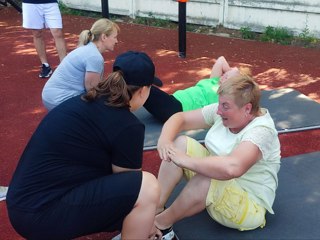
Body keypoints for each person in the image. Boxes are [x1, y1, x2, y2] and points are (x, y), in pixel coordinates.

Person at [6, 51, 164, 240]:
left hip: (21, 204)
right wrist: (147, 223)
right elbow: (132, 191)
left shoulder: (83, 101)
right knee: (147, 187)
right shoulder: (128, 125)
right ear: (142, 91)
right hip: (41, 215)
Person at [154, 74, 281, 239]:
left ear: (247, 108)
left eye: (225, 106)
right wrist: (165, 140)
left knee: (210, 176)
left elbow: (232, 168)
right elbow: (181, 118)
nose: (219, 111)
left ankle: (160, 225)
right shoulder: (222, 111)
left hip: (248, 207)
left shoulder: (262, 131)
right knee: (180, 144)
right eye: (220, 104)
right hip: (220, 187)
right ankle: (153, 210)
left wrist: (185, 161)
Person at [42, 18, 120, 111]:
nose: (117, 41)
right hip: (58, 100)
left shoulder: (87, 48)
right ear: (104, 37)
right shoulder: (94, 57)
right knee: (104, 107)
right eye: (114, 37)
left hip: (50, 96)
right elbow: (92, 90)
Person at [144, 56, 248, 123]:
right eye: (225, 73)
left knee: (143, 87)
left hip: (177, 110)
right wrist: (232, 72)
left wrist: (237, 78)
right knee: (139, 89)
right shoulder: (214, 80)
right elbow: (221, 60)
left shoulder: (224, 94)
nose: (224, 75)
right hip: (173, 99)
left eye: (227, 78)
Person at [22, 0, 67, 78]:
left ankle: (64, 67)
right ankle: (45, 65)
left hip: (50, 2)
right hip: (30, 3)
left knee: (57, 32)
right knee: (37, 33)